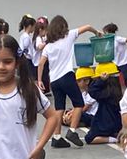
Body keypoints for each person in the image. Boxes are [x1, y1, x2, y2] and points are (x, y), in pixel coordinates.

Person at [42, 14, 98, 146]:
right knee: (78, 104)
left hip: (54, 80)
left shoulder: (48, 46)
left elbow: (40, 63)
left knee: (59, 108)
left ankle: (56, 137)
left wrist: (39, 80)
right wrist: (97, 32)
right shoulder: (69, 36)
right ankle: (72, 131)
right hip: (66, 76)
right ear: (64, 27)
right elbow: (87, 27)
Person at [81, 72, 123, 146]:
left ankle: (113, 139)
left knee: (89, 138)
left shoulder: (104, 94)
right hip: (117, 122)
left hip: (105, 123)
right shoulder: (117, 92)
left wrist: (101, 80)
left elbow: (92, 90)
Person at [104, 21, 127, 88]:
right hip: (115, 63)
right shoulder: (108, 41)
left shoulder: (118, 38)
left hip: (124, 62)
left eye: (106, 32)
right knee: (113, 79)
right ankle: (116, 91)